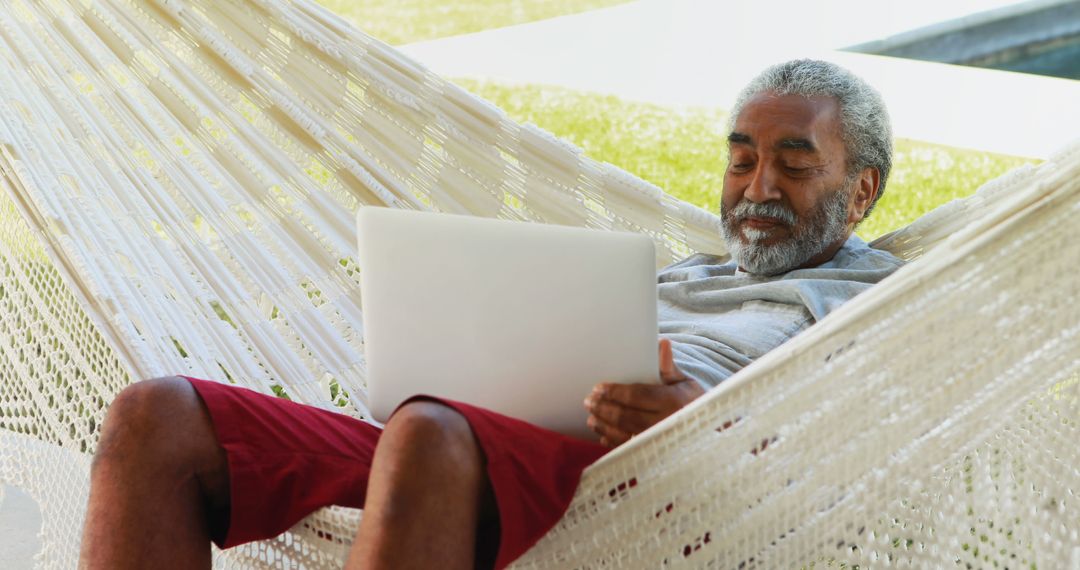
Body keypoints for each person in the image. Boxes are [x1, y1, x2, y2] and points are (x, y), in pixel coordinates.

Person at [78, 59, 904, 569]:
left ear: (861, 189)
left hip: (641, 484)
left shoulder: (880, 298)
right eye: (741, 160)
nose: (758, 188)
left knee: (430, 432)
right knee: (158, 415)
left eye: (794, 164)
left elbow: (852, 445)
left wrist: (701, 420)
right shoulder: (681, 273)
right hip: (454, 444)